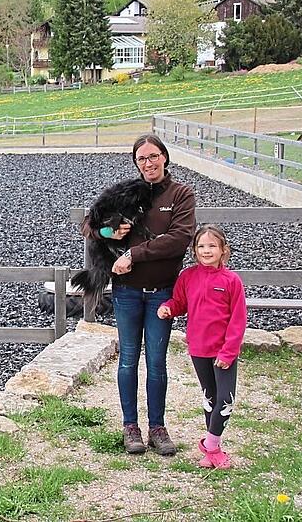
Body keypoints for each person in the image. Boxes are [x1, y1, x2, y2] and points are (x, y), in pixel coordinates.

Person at [82, 134, 195, 456]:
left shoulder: (181, 194)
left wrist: (133, 254)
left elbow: (179, 239)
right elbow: (90, 226)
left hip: (162, 293)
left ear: (165, 157)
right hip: (127, 292)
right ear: (136, 163)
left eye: (153, 156)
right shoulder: (127, 192)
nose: (148, 163)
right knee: (128, 360)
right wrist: (109, 232)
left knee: (157, 362)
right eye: (142, 159)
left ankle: (157, 427)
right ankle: (130, 427)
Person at [158, 225, 247, 469]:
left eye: (212, 246)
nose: (206, 251)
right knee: (210, 396)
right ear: (194, 250)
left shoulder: (232, 281)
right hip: (198, 348)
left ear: (223, 250)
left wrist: (228, 352)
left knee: (226, 400)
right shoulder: (188, 277)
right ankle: (212, 451)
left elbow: (238, 320)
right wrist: (168, 308)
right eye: (201, 246)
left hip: (223, 351)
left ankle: (211, 445)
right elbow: (179, 302)